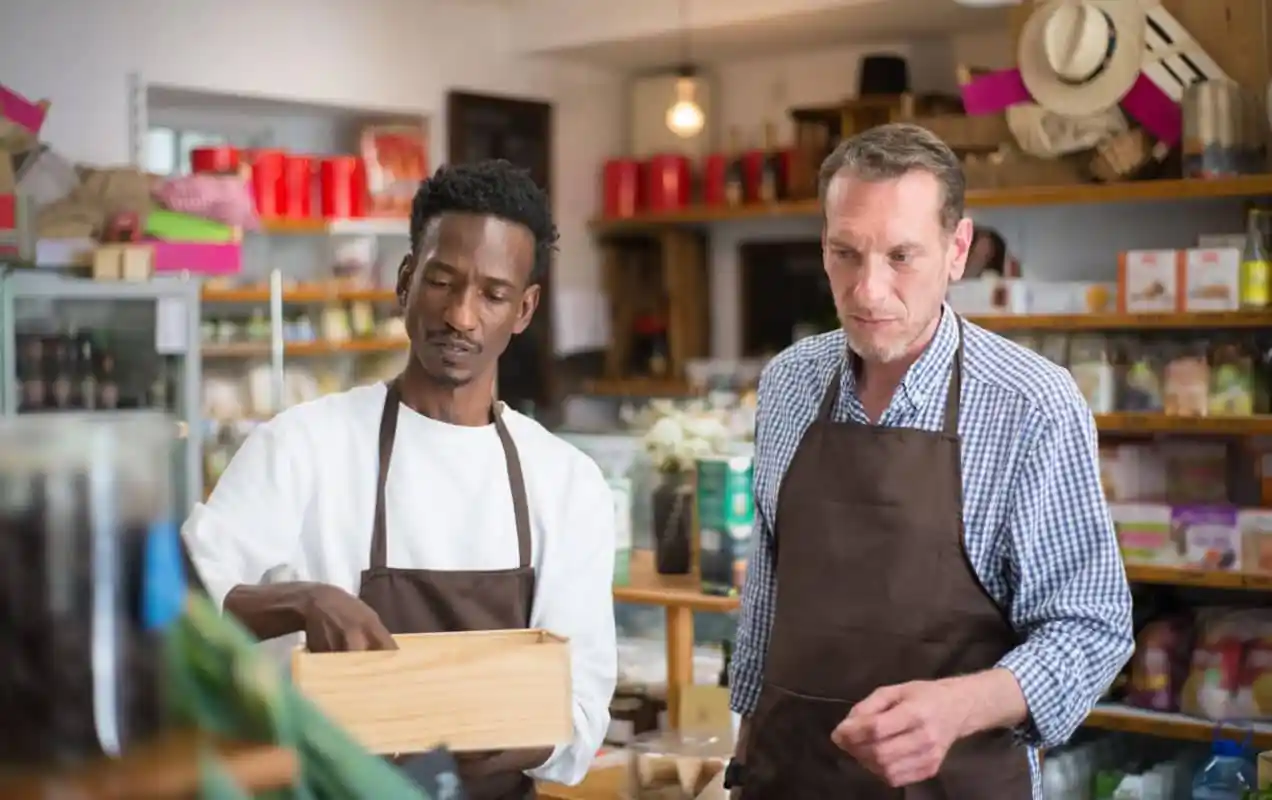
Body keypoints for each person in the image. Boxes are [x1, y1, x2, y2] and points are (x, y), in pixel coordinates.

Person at [182, 160, 617, 799]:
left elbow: (580, 711)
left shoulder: (567, 483)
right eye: (443, 282)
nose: (462, 316)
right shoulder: (303, 445)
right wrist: (304, 600)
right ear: (407, 280)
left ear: (524, 310)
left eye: (493, 295)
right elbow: (181, 605)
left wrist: (514, 736)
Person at [724, 124, 1133, 799]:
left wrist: (956, 708)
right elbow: (770, 586)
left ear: (958, 250)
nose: (867, 291)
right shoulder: (789, 382)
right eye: (844, 253)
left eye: (902, 256)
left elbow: (1090, 629)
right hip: (787, 778)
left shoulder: (1031, 405)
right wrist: (745, 746)